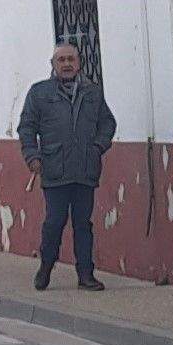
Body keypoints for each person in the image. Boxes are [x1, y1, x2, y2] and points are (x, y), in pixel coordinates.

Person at [15, 40, 117, 292]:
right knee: (54, 223)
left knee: (83, 224)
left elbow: (108, 123)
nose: (67, 64)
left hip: (85, 169)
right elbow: (26, 127)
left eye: (71, 59)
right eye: (61, 60)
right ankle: (46, 267)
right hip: (54, 169)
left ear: (79, 63)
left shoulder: (92, 92)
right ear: (53, 65)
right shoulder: (39, 93)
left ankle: (86, 275)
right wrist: (32, 156)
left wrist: (97, 147)